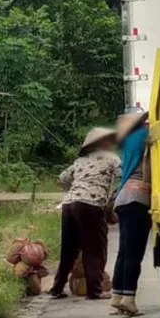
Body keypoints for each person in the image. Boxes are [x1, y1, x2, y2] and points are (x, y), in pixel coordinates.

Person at [49, 128, 121, 300]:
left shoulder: (79, 161)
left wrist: (73, 192)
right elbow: (123, 176)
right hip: (91, 205)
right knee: (95, 248)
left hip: (69, 204)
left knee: (69, 249)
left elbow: (63, 178)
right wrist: (112, 199)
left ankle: (57, 288)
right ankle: (95, 290)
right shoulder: (112, 159)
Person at [110, 112, 152, 317]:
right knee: (135, 253)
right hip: (138, 198)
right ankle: (129, 299)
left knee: (124, 251)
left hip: (123, 198)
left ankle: (117, 297)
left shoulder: (128, 140)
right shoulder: (145, 134)